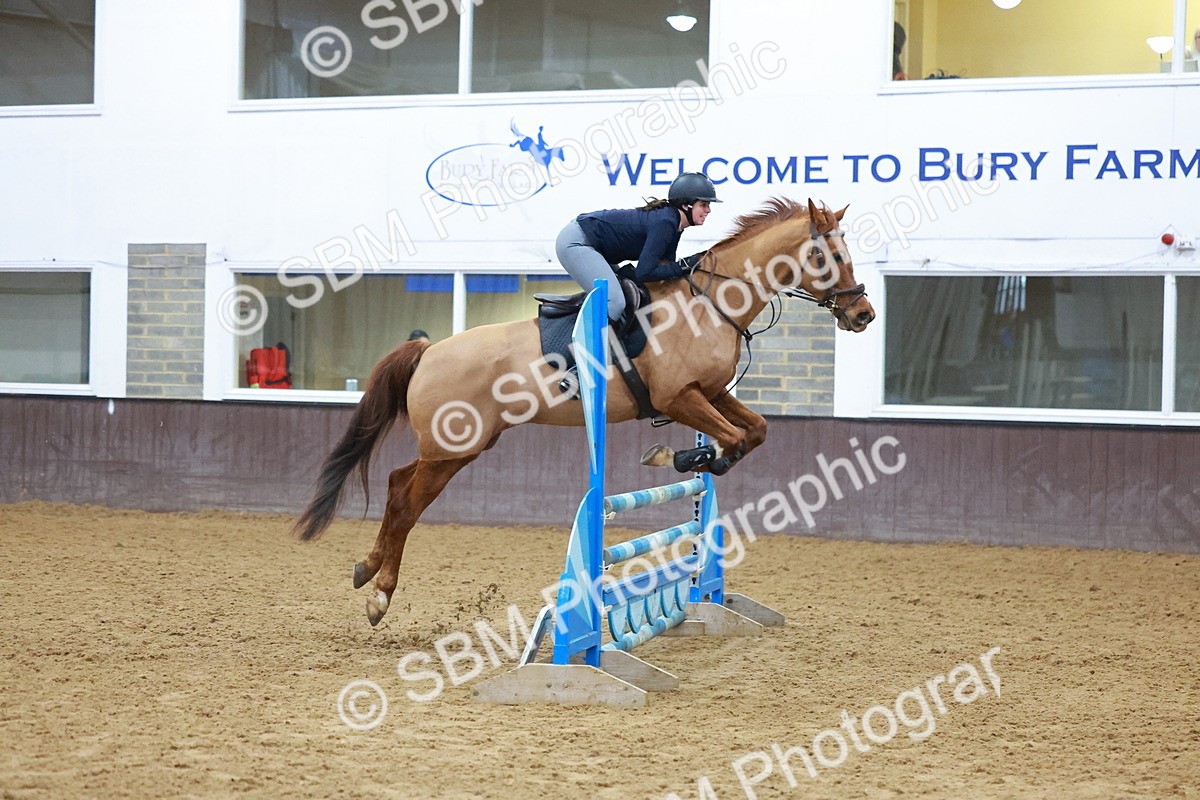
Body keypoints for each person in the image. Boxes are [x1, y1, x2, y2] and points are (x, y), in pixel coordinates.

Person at [554, 172, 720, 332]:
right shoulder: (666, 222)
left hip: (595, 245)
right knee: (616, 302)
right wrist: (683, 266)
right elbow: (645, 272)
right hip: (577, 242)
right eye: (703, 205)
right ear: (686, 205)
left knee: (630, 295)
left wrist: (686, 271)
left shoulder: (675, 224)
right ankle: (585, 356)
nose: (709, 210)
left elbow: (665, 267)